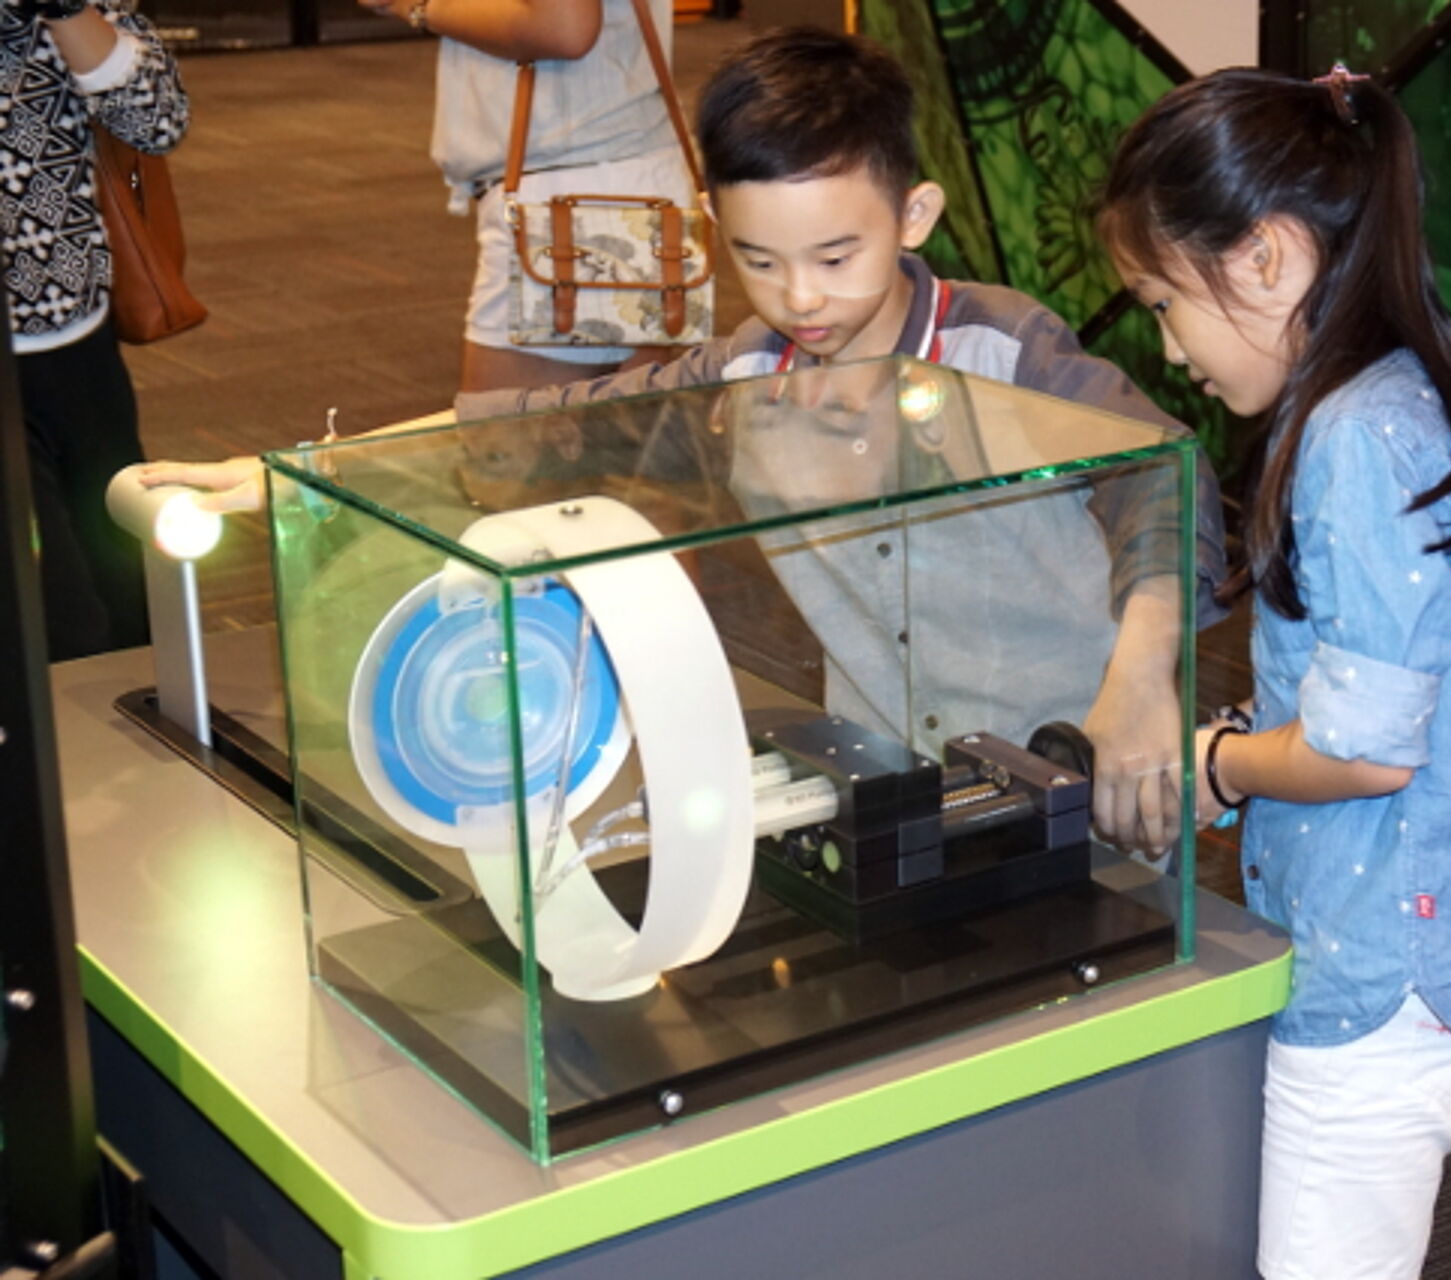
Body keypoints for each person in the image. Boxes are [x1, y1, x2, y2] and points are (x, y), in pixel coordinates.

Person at [143, 27, 1228, 859]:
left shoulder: (1006, 349)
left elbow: (1163, 483)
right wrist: (304, 468)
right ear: (715, 228)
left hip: (1090, 774)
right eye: (758, 261)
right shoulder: (742, 379)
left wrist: (1141, 681)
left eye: (836, 256)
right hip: (894, 796)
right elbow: (537, 430)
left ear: (915, 215)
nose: (800, 297)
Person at [1097, 66, 1451, 1277]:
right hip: (1406, 931)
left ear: (1263, 257)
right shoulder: (1398, 393)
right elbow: (1369, 679)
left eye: (1164, 302)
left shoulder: (1353, 437)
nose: (1170, 347)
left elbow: (1363, 753)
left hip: (1387, 966)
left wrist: (1221, 762)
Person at [355, 0, 702, 393]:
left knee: (512, 430)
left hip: (574, 195)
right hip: (625, 171)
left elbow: (564, 28)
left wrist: (416, 6)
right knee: (624, 424)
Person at [2, 0, 189, 660]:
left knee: (129, 604)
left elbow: (157, 119)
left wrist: (62, 11)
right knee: (58, 625)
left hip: (75, 339)